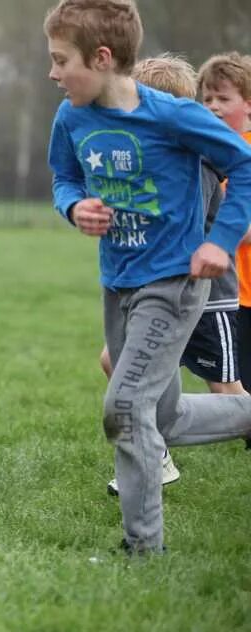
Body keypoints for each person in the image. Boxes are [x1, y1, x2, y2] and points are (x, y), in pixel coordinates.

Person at [45, 0, 251, 554]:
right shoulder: (71, 116)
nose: (54, 73)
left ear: (103, 58)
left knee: (126, 408)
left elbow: (244, 165)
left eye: (62, 60)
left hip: (175, 282)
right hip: (118, 282)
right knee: (168, 416)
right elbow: (63, 176)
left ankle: (143, 552)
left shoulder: (172, 116)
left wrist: (219, 241)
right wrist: (74, 207)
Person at [100, 53, 247, 496]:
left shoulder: (195, 165)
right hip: (153, 292)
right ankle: (155, 457)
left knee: (227, 392)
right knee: (116, 364)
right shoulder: (149, 158)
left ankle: (152, 457)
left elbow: (198, 225)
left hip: (201, 295)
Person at [197, 53, 251, 410]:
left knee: (234, 391)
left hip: (244, 292)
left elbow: (243, 230)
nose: (214, 107)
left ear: (248, 103)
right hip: (232, 290)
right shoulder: (208, 153)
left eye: (224, 98)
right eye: (207, 99)